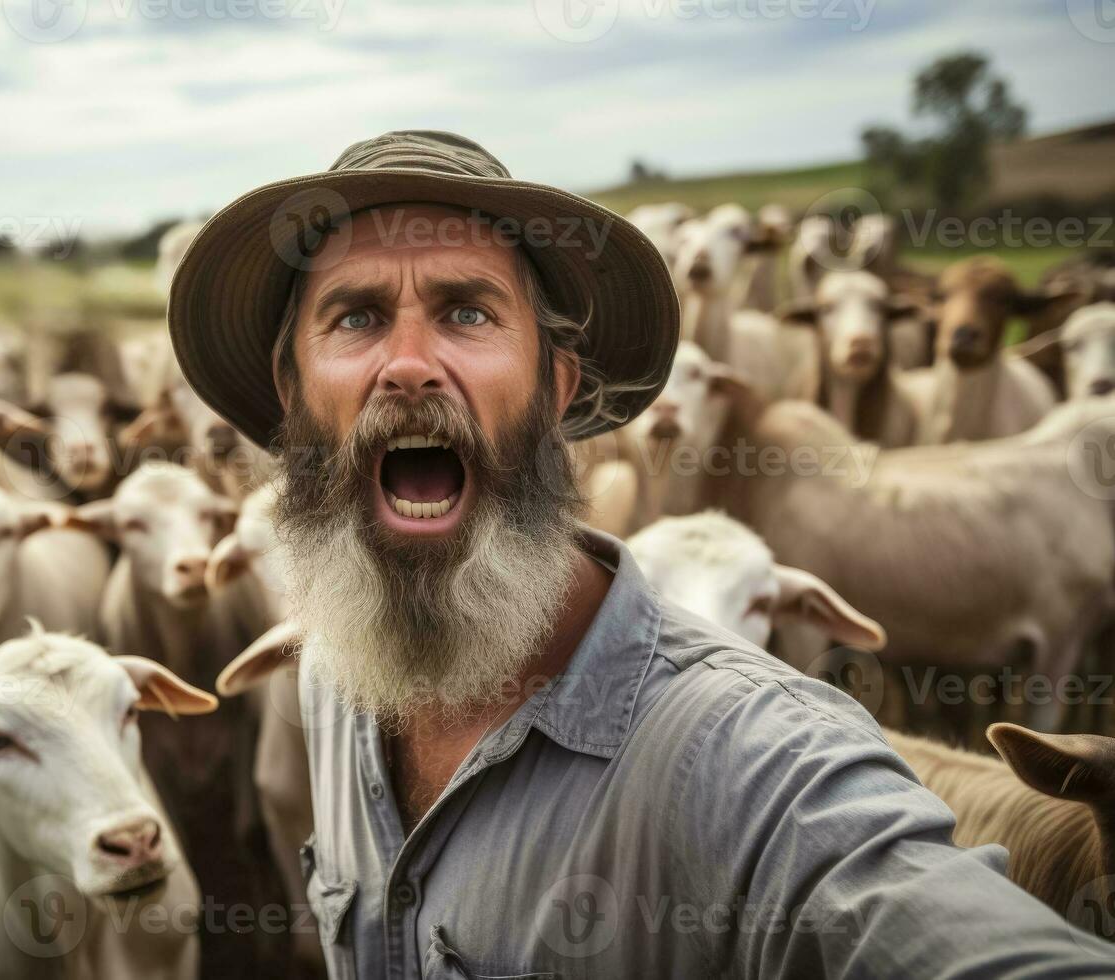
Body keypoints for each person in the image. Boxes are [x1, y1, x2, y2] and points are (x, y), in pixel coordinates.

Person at [166, 130, 1115, 977]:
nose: (409, 362)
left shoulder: (753, 762)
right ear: (291, 397)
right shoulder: (333, 675)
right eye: (357, 316)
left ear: (555, 390)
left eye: (467, 313)